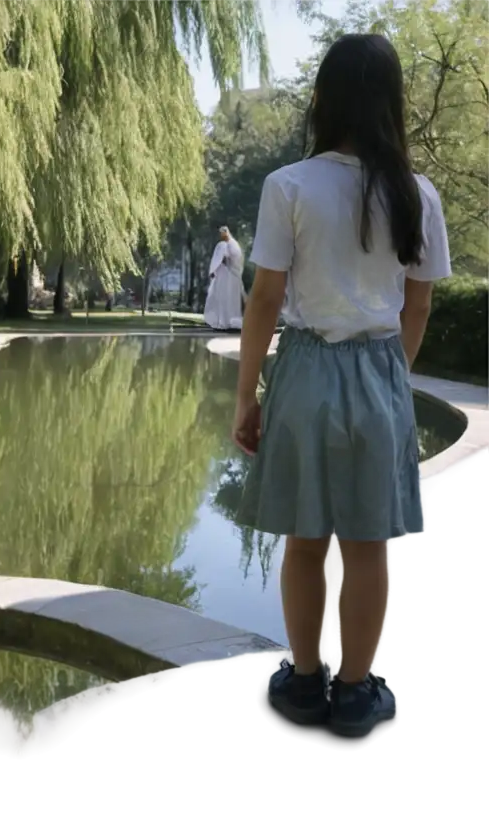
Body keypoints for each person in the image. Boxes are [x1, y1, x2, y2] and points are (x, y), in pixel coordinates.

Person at [232, 33, 451, 739]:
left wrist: (247, 396)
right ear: (392, 103)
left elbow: (265, 300)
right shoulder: (417, 195)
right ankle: (356, 692)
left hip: (304, 368)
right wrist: (392, 377)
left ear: (323, 99)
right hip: (380, 368)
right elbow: (417, 306)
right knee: (367, 547)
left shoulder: (288, 186)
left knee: (304, 541)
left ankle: (302, 684)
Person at [203, 226, 246, 330]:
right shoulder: (231, 244)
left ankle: (225, 322)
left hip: (227, 276)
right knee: (225, 299)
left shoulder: (226, 245)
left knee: (225, 299)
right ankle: (224, 321)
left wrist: (213, 270)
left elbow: (220, 260)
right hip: (229, 277)